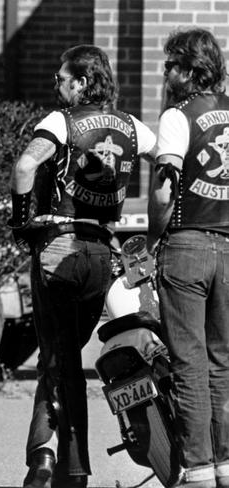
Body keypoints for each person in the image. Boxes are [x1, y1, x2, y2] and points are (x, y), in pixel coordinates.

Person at [9, 45, 156, 488]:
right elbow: (172, 162)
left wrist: (20, 222)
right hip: (101, 254)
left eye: (61, 78)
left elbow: (25, 165)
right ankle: (46, 454)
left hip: (58, 246)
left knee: (60, 359)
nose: (57, 85)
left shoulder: (60, 122)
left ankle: (64, 466)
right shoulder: (132, 126)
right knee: (62, 357)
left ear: (82, 82)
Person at [146, 28, 229, 488]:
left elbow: (163, 190)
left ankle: (197, 468)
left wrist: (155, 235)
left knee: (190, 363)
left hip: (189, 244)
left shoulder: (179, 116)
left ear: (191, 71)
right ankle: (225, 465)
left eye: (170, 65)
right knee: (224, 362)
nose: (165, 73)